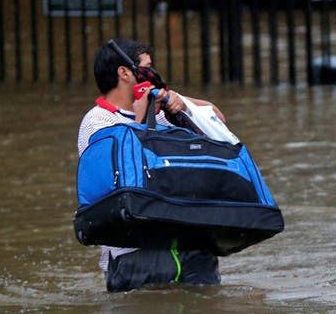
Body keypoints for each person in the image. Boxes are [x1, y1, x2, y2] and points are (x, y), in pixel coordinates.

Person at [77, 38, 225, 292]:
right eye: (147, 67)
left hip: (191, 243)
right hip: (135, 253)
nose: (153, 74)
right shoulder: (96, 121)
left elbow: (218, 123)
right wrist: (139, 117)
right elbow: (124, 177)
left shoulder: (161, 111)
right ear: (124, 73)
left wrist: (180, 101)